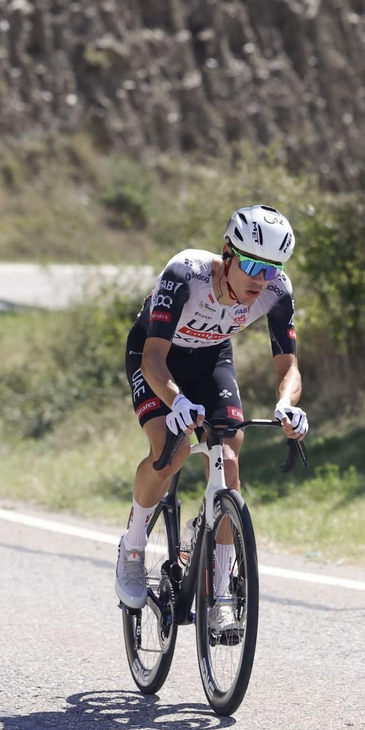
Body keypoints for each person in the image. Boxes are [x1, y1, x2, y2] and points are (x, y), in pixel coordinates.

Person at [116, 204, 310, 636]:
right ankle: (132, 548)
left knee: (228, 453)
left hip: (210, 359)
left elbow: (288, 369)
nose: (261, 280)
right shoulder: (185, 274)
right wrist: (176, 401)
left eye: (272, 268)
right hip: (157, 358)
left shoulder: (277, 290)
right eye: (253, 265)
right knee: (174, 449)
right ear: (227, 254)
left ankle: (221, 595)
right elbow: (152, 357)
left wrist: (287, 405)